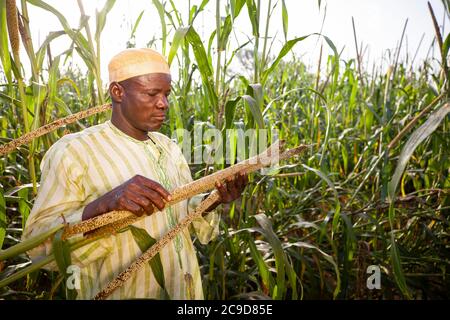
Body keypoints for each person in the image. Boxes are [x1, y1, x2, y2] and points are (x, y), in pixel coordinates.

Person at [22, 48, 248, 300]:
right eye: (152, 94)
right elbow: (38, 247)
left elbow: (182, 213)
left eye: (166, 94)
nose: (163, 104)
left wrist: (214, 199)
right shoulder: (74, 151)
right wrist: (104, 204)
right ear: (118, 92)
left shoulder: (168, 147)